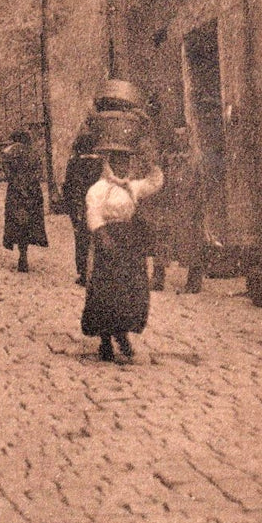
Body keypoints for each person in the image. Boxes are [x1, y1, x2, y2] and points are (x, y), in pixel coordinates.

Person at [81, 141, 164, 363]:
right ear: (109, 163)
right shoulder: (98, 189)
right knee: (106, 291)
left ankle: (123, 334)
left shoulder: (131, 187)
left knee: (130, 291)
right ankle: (105, 340)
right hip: (108, 241)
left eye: (126, 161)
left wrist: (150, 163)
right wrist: (103, 237)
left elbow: (154, 183)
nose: (122, 165)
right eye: (118, 161)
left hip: (129, 243)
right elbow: (94, 214)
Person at [150, 126, 206, 293]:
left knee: (190, 244)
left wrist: (198, 205)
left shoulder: (196, 158)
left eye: (182, 136)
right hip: (169, 205)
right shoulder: (167, 157)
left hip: (188, 206)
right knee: (162, 240)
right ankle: (158, 277)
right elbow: (160, 179)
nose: (179, 139)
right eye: (176, 136)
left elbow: (201, 184)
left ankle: (194, 281)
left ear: (188, 138)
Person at [61, 120, 104, 286]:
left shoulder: (74, 162)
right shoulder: (100, 163)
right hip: (97, 205)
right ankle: (97, 272)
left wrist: (70, 206)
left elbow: (69, 185)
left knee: (81, 239)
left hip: (80, 204)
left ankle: (83, 272)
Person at [2, 130, 48, 272]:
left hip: (16, 191)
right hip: (32, 191)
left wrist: (17, 183)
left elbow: (7, 173)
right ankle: (25, 252)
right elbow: (39, 173)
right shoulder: (34, 153)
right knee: (29, 222)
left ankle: (21, 253)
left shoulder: (8, 153)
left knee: (18, 221)